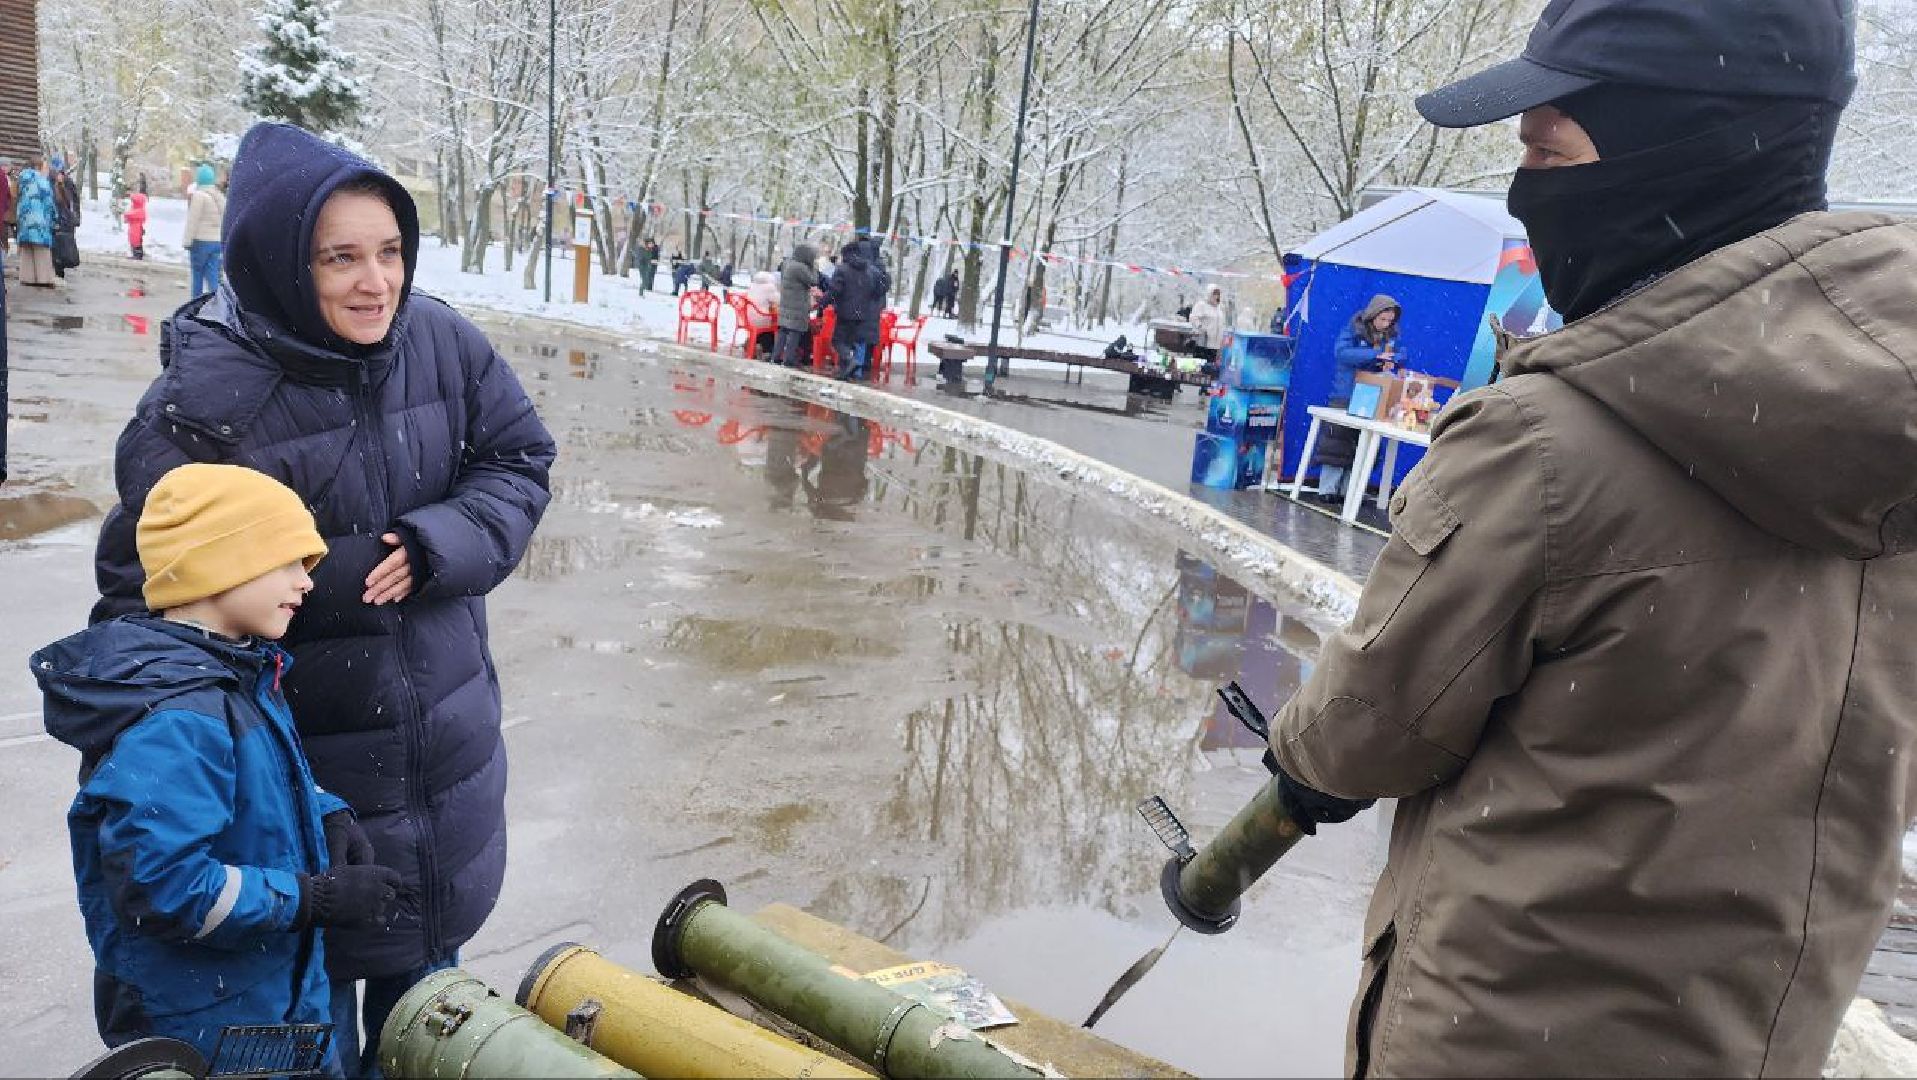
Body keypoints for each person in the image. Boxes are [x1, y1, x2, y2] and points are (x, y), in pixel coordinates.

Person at [1264, 2, 1917, 1076]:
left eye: (1546, 150)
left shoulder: (1546, 442)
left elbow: (1369, 726)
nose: (1530, 194)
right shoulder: (1886, 435)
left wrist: (1296, 765)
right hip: (1747, 1040)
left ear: (1682, 152)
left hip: (1508, 1031)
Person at [90, 122, 557, 1078]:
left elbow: (518, 458)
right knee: (309, 1043)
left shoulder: (439, 341)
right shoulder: (202, 408)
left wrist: (443, 544)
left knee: (428, 1025)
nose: (374, 282)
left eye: (389, 252)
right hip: (299, 811)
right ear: (275, 262)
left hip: (441, 784)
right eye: (340, 257)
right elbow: (138, 617)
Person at [37, 463, 400, 1073]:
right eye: (288, 563)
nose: (306, 583)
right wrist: (310, 898)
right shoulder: (180, 718)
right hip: (206, 1025)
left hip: (265, 994)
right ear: (222, 567)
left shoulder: (238, 672)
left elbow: (261, 777)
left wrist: (326, 813)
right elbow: (161, 888)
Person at [1308, 295, 1400, 502]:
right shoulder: (1353, 329)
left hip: (1372, 398)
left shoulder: (1390, 337)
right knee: (1336, 444)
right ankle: (1327, 490)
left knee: (1361, 447)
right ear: (1373, 315)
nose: (1386, 324)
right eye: (1383, 319)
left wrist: (1397, 359)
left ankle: (1349, 492)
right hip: (1346, 394)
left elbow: (1400, 352)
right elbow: (1342, 353)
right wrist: (1373, 355)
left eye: (1390, 321)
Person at [822, 239, 884, 380]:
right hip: (862, 314)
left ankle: (850, 360)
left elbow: (834, 291)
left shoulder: (843, 269)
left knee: (837, 341)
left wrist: (822, 303)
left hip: (846, 312)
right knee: (849, 342)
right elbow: (876, 290)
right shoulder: (868, 270)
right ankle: (846, 373)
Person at [774, 241, 820, 369]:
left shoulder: (787, 264)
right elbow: (813, 281)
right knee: (795, 332)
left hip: (786, 302)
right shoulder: (801, 268)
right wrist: (814, 268)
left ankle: (776, 356)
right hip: (798, 304)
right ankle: (789, 359)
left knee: (783, 330)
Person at [183, 164, 226, 296]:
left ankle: (196, 306)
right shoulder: (220, 197)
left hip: (200, 241)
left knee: (197, 275)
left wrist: (187, 241)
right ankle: (217, 305)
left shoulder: (199, 196)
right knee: (213, 276)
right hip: (216, 242)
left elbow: (193, 220)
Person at [13, 161, 56, 288]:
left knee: (27, 250)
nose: (47, 170)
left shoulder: (22, 180)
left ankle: (27, 277)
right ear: (39, 168)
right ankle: (44, 279)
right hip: (39, 222)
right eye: (46, 167)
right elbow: (48, 203)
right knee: (42, 251)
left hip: (25, 221)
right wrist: (53, 218)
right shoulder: (41, 181)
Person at [1187, 285, 1227, 362]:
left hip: (1215, 344)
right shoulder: (1202, 305)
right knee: (1200, 364)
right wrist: (1200, 327)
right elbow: (1193, 317)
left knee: (1210, 366)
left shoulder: (1219, 308)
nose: (1216, 296)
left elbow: (1221, 323)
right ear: (1209, 293)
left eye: (1218, 294)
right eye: (1214, 293)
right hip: (1203, 342)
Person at [124, 191, 147, 260]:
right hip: (133, 227)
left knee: (136, 241)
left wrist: (127, 215)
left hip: (137, 228)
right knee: (133, 241)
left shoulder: (140, 210)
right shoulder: (136, 209)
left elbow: (129, 215)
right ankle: (135, 254)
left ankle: (138, 255)